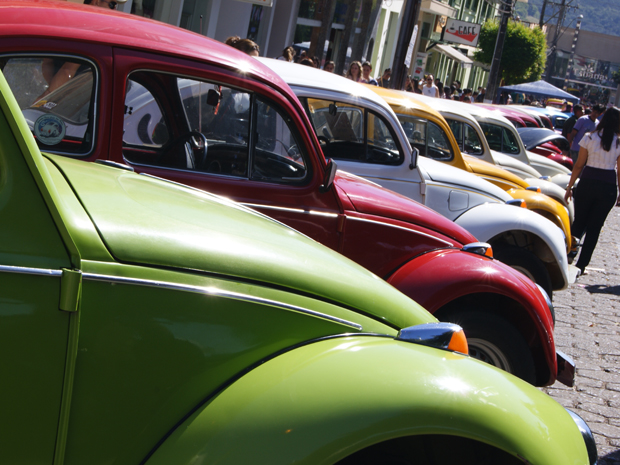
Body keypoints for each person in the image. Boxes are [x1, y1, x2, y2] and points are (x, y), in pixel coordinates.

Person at [564, 106, 620, 276]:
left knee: (579, 221)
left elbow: (579, 165)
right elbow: (619, 171)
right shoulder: (618, 141)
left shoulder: (589, 138)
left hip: (587, 182)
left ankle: (568, 256)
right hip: (608, 186)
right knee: (595, 228)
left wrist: (569, 186)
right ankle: (582, 264)